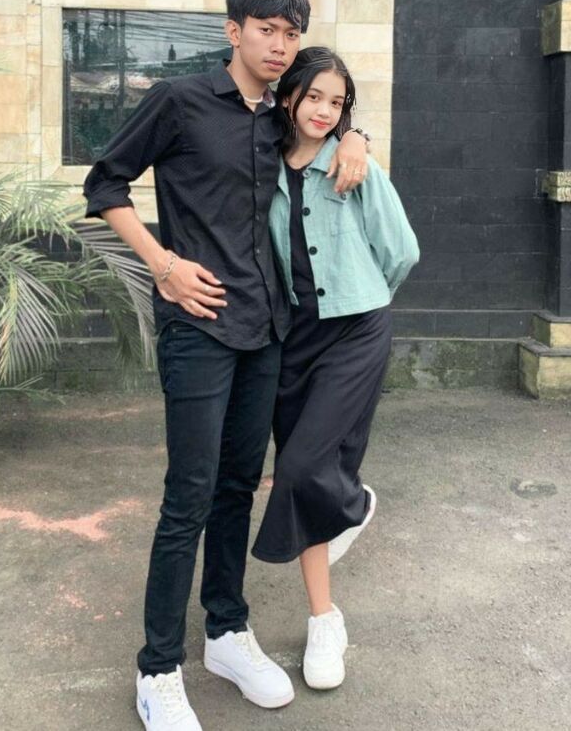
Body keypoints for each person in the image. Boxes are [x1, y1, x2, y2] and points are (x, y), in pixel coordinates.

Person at [82, 0, 369, 731]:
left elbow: (329, 116)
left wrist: (356, 136)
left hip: (266, 329)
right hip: (198, 327)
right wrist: (163, 265)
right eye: (267, 29)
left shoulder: (279, 114)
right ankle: (157, 668)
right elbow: (105, 183)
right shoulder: (178, 101)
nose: (280, 46)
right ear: (233, 30)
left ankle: (226, 632)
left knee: (239, 487)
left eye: (291, 33)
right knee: (190, 494)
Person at [251, 47, 419, 691]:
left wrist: (361, 297)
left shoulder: (353, 165)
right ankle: (325, 618)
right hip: (295, 339)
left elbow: (401, 251)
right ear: (289, 95)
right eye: (315, 96)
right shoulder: (264, 162)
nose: (325, 111)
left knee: (299, 470)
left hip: (355, 329)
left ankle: (354, 504)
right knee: (308, 474)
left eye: (338, 103)